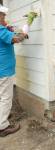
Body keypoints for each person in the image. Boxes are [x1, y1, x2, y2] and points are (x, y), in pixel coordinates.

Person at [0, 5, 28, 137]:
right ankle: (2, 126)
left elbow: (8, 34)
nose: (5, 18)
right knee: (6, 98)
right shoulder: (0, 30)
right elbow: (16, 39)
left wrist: (8, 28)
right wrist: (23, 33)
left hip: (2, 70)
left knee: (1, 96)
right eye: (3, 16)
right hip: (4, 71)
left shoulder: (2, 29)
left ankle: (1, 115)